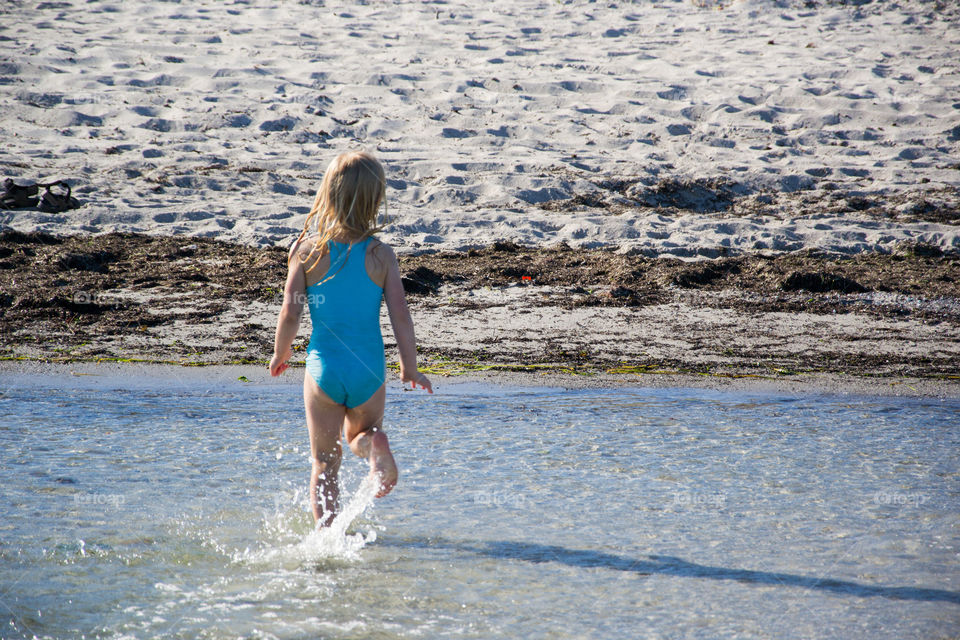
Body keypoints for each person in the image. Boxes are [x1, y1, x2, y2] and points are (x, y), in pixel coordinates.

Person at [269, 151, 432, 527]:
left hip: (324, 370)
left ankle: (328, 538)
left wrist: (282, 351)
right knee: (361, 433)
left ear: (328, 194)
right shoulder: (381, 255)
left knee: (324, 463)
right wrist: (410, 368)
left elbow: (290, 311)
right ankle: (374, 447)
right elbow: (401, 316)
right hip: (368, 370)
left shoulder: (307, 251)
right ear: (375, 200)